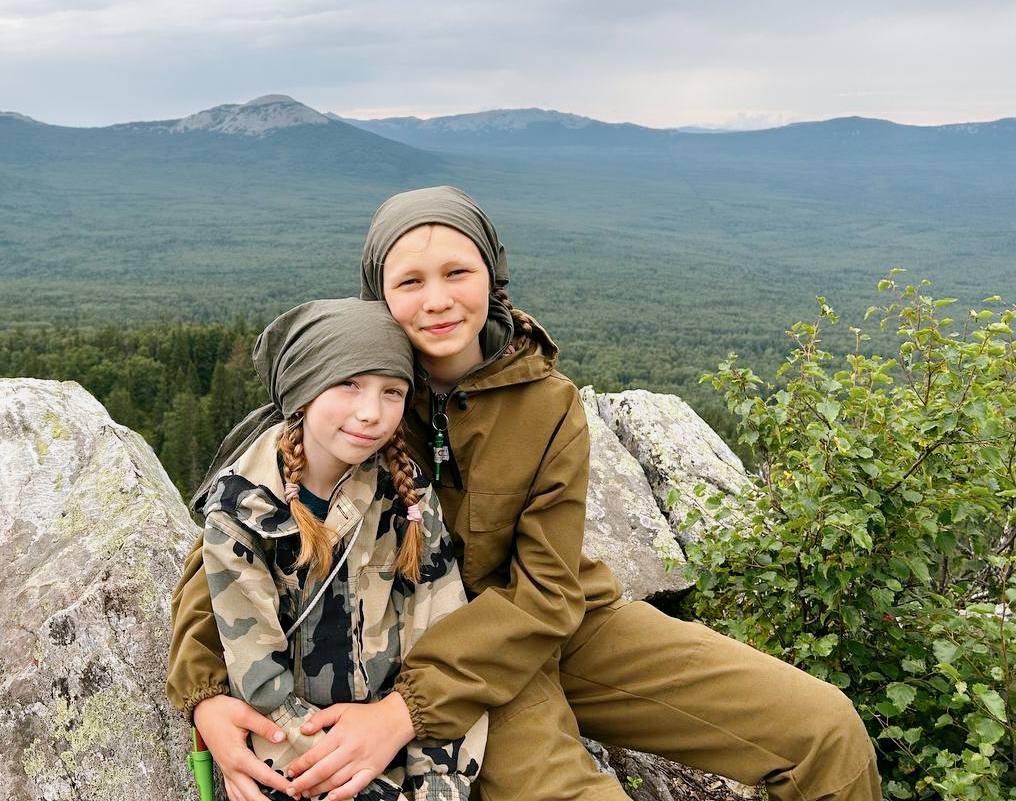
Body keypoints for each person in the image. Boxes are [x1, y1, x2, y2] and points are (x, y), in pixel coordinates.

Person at [169, 188, 881, 801]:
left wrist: (401, 716)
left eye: (458, 272)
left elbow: (547, 592)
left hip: (564, 628)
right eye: (409, 282)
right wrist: (205, 695)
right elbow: (236, 536)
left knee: (826, 731)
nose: (439, 299)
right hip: (428, 648)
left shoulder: (547, 404)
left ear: (493, 274)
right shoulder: (357, 392)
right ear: (377, 295)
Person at [190, 297, 486, 801]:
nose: (370, 413)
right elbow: (262, 687)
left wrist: (438, 786)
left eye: (392, 391)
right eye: (347, 384)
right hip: (300, 759)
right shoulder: (243, 512)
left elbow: (440, 646)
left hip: (394, 738)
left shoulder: (406, 498)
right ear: (302, 391)